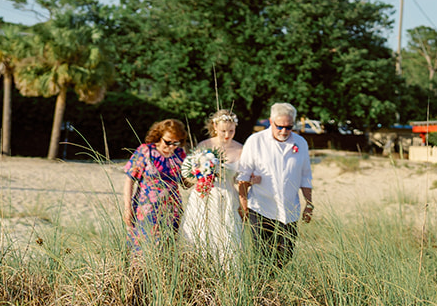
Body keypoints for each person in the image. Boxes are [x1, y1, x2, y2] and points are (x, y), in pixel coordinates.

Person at [237, 102, 313, 267]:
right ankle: (262, 289)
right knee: (262, 257)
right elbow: (243, 175)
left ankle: (276, 287)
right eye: (280, 126)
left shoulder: (301, 143)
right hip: (260, 208)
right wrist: (243, 203)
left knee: (286, 255)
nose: (284, 131)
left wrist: (309, 204)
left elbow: (306, 176)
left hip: (289, 210)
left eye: (289, 127)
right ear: (271, 121)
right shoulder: (255, 141)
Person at [180, 110, 246, 263]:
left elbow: (239, 178)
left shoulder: (240, 149)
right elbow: (192, 172)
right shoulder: (204, 145)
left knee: (227, 237)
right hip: (204, 196)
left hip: (227, 198)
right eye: (223, 131)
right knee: (202, 234)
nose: (227, 135)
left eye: (231, 131)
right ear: (215, 127)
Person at [123, 119, 187, 253]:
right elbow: (129, 180)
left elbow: (185, 183)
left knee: (166, 249)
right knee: (144, 248)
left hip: (172, 210)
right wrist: (127, 208)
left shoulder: (179, 154)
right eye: (168, 142)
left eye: (176, 142)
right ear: (159, 135)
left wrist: (202, 176)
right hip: (146, 209)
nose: (171, 146)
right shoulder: (146, 151)